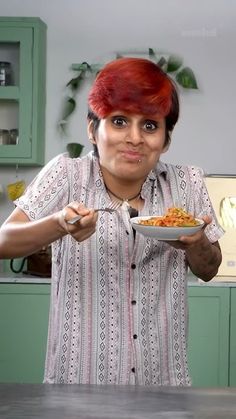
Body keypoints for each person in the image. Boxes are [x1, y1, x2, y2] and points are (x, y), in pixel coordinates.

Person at [0, 57, 224, 386]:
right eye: (119, 121)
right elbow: (4, 242)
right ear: (93, 129)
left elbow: (210, 268)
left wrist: (197, 242)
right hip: (78, 384)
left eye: (150, 125)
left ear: (165, 140)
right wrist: (60, 224)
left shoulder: (186, 183)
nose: (134, 138)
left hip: (163, 385)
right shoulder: (67, 175)